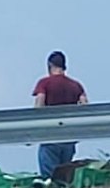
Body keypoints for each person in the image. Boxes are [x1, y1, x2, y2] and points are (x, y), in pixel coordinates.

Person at [32, 51, 88, 179]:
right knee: (64, 173)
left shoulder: (44, 83)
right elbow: (85, 106)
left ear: (49, 65)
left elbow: (39, 105)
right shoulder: (76, 85)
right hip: (69, 135)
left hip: (50, 134)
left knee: (49, 177)